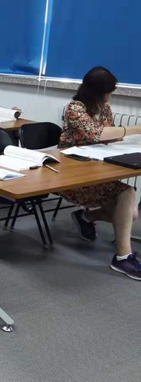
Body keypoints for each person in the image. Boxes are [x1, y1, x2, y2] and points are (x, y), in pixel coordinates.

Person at [60, 66, 141, 280]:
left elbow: (109, 136)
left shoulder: (104, 108)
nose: (110, 96)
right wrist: (136, 129)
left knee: (130, 212)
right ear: (98, 91)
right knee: (127, 198)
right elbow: (96, 134)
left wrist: (123, 139)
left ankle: (85, 216)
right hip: (71, 176)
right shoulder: (74, 108)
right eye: (108, 91)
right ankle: (123, 257)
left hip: (97, 167)